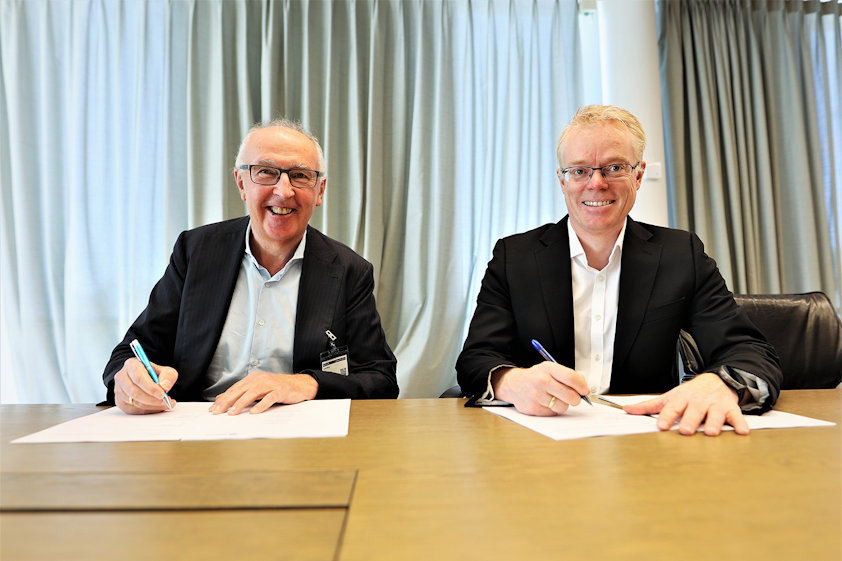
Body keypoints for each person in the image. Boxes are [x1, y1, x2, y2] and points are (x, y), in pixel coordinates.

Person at [456, 105, 782, 436]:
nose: (596, 184)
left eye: (614, 168)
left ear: (638, 176)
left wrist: (720, 384)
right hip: (540, 440)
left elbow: (750, 352)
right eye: (579, 171)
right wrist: (511, 382)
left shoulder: (680, 255)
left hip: (648, 441)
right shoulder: (515, 257)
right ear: (562, 180)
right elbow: (476, 359)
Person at [103, 119, 398, 414]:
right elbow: (130, 352)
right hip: (198, 430)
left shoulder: (349, 271)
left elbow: (381, 380)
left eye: (300, 175)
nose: (284, 191)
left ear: (320, 191)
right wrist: (130, 378)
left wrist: (308, 384)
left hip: (298, 436)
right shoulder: (195, 252)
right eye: (266, 172)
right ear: (241, 183)